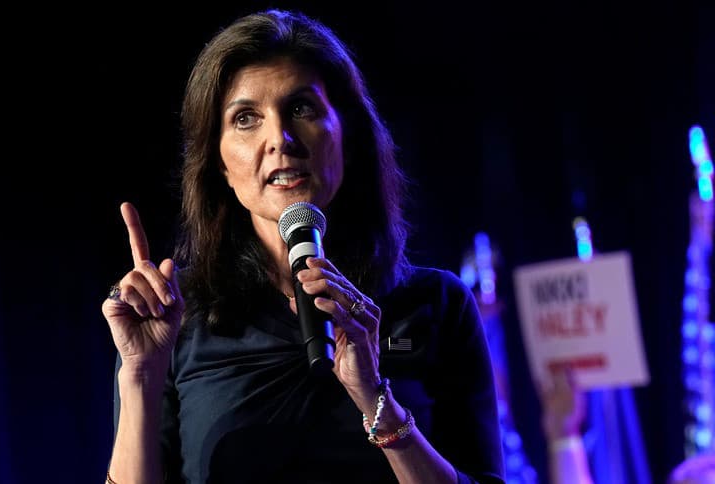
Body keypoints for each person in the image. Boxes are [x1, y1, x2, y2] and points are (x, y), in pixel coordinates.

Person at [101, 9, 503, 483]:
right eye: (246, 118)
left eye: (301, 109)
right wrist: (140, 377)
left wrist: (376, 399)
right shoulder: (174, 316)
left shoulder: (437, 304)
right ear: (220, 164)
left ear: (346, 135)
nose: (280, 139)